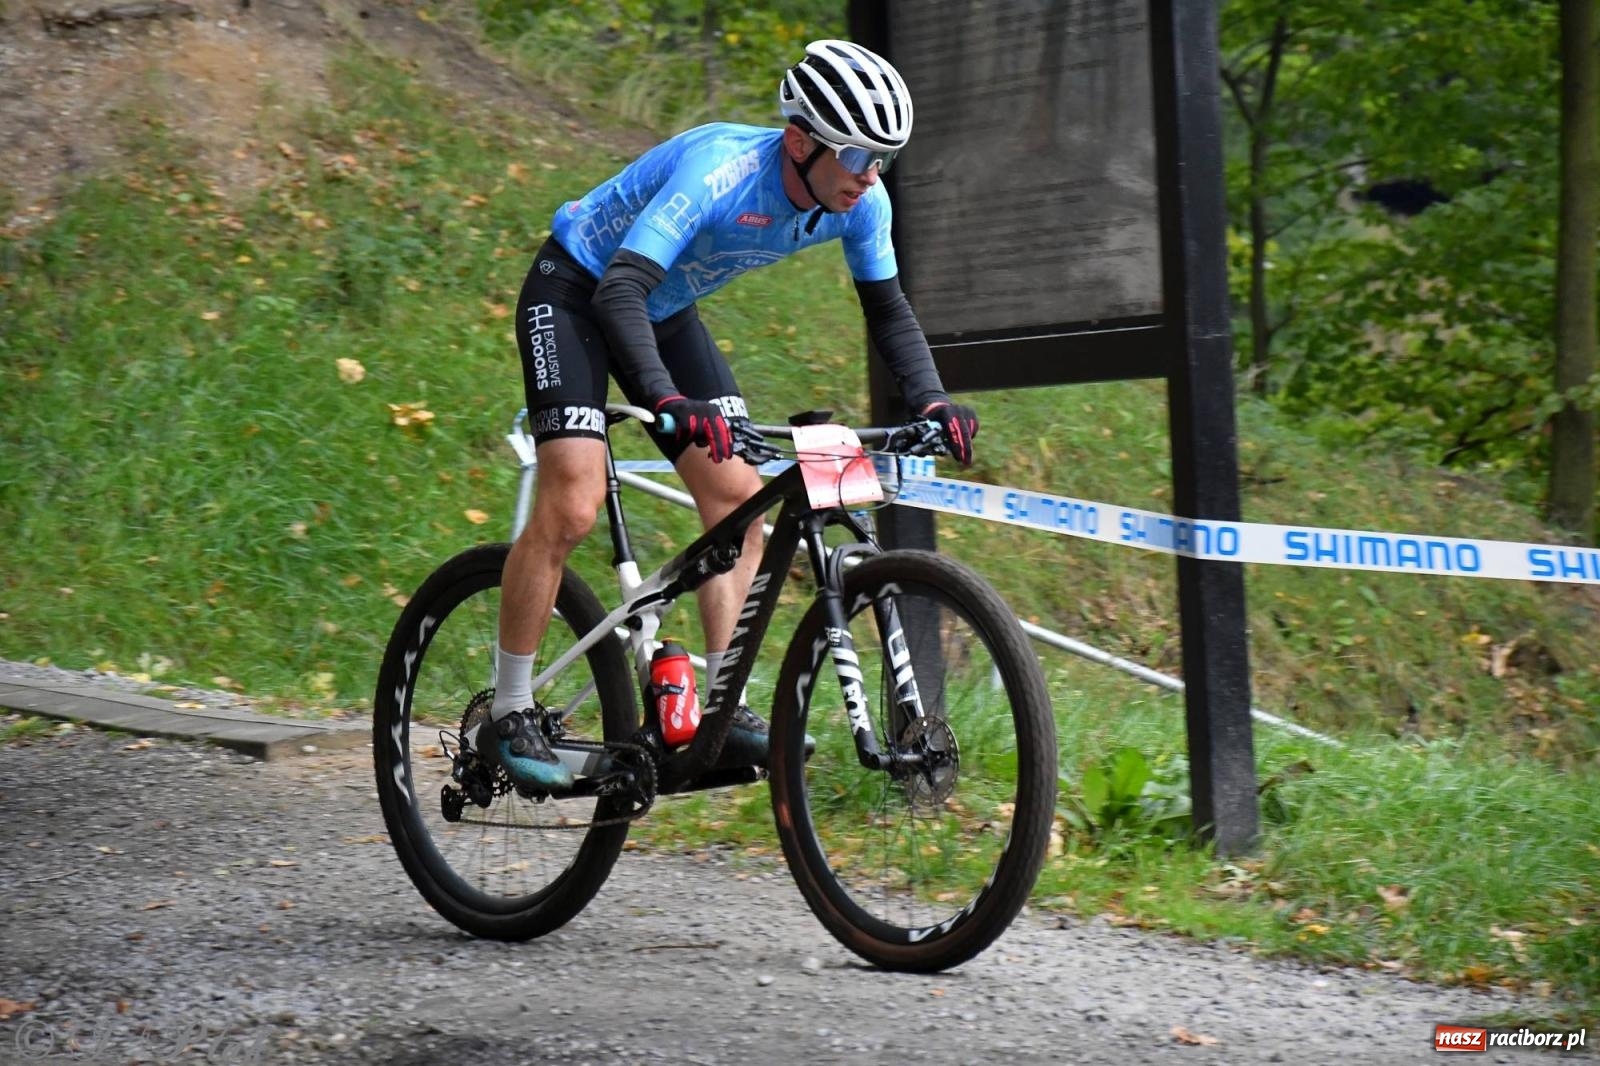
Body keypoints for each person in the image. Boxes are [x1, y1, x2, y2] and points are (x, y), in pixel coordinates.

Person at [477, 38, 979, 790]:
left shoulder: (862, 201)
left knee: (740, 500)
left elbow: (890, 312)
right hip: (580, 291)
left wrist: (932, 397)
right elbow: (617, 292)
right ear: (800, 140)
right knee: (575, 501)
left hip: (666, 309)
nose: (871, 175)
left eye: (886, 157)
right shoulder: (719, 172)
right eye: (858, 154)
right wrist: (669, 403)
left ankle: (722, 704)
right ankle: (508, 708)